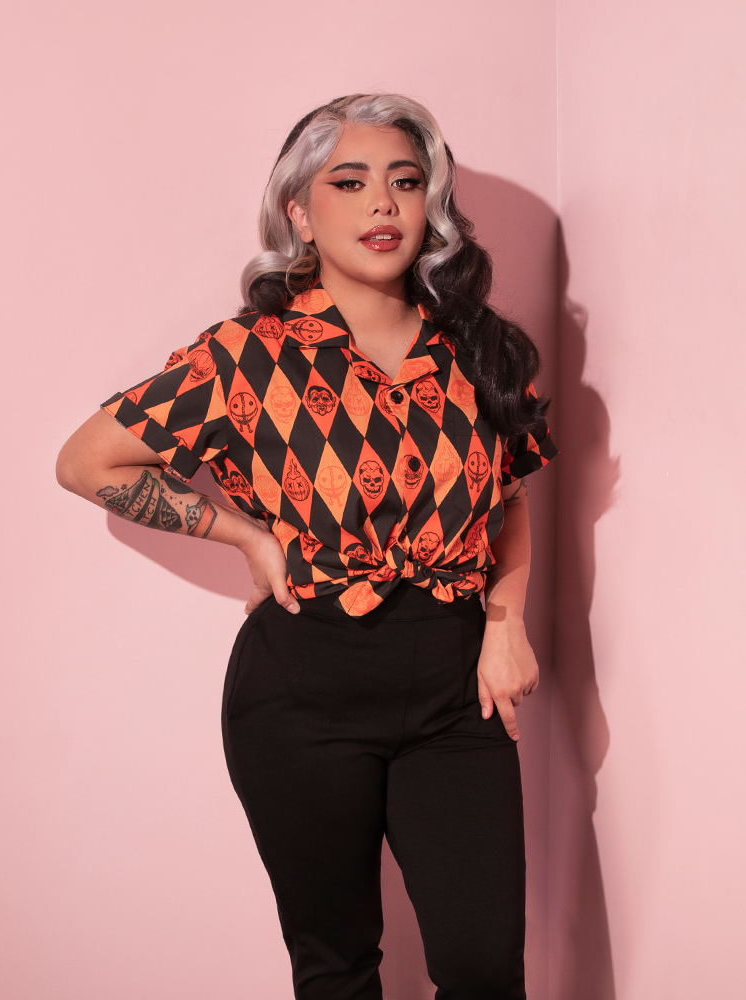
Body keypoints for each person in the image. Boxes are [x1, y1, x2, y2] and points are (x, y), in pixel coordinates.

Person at [56, 93, 557, 1000]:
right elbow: (87, 461)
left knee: (485, 968)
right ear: (299, 211)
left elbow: (509, 497)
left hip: (455, 692)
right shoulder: (245, 356)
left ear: (431, 204)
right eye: (350, 183)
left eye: (407, 182)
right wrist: (245, 535)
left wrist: (505, 620)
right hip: (299, 692)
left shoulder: (478, 350)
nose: (383, 204)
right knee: (336, 970)